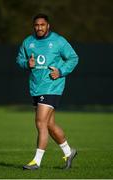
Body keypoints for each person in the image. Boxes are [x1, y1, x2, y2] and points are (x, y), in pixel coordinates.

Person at [16, 13, 79, 170]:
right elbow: (19, 59)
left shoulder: (58, 41)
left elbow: (73, 58)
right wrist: (26, 63)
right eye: (36, 25)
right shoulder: (28, 42)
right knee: (49, 125)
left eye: (42, 25)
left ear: (48, 26)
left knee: (40, 122)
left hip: (52, 86)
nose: (39, 28)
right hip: (36, 87)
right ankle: (68, 151)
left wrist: (61, 71)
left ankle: (36, 161)